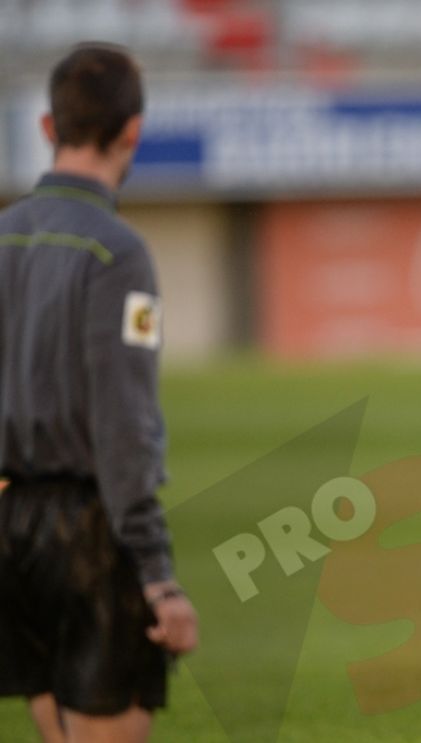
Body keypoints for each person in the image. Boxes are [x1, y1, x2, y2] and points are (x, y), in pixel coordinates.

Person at [0, 43, 198, 743]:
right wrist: (158, 576)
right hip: (87, 532)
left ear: (49, 127)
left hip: (8, 522)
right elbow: (123, 423)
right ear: (132, 132)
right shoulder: (119, 252)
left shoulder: (3, 238)